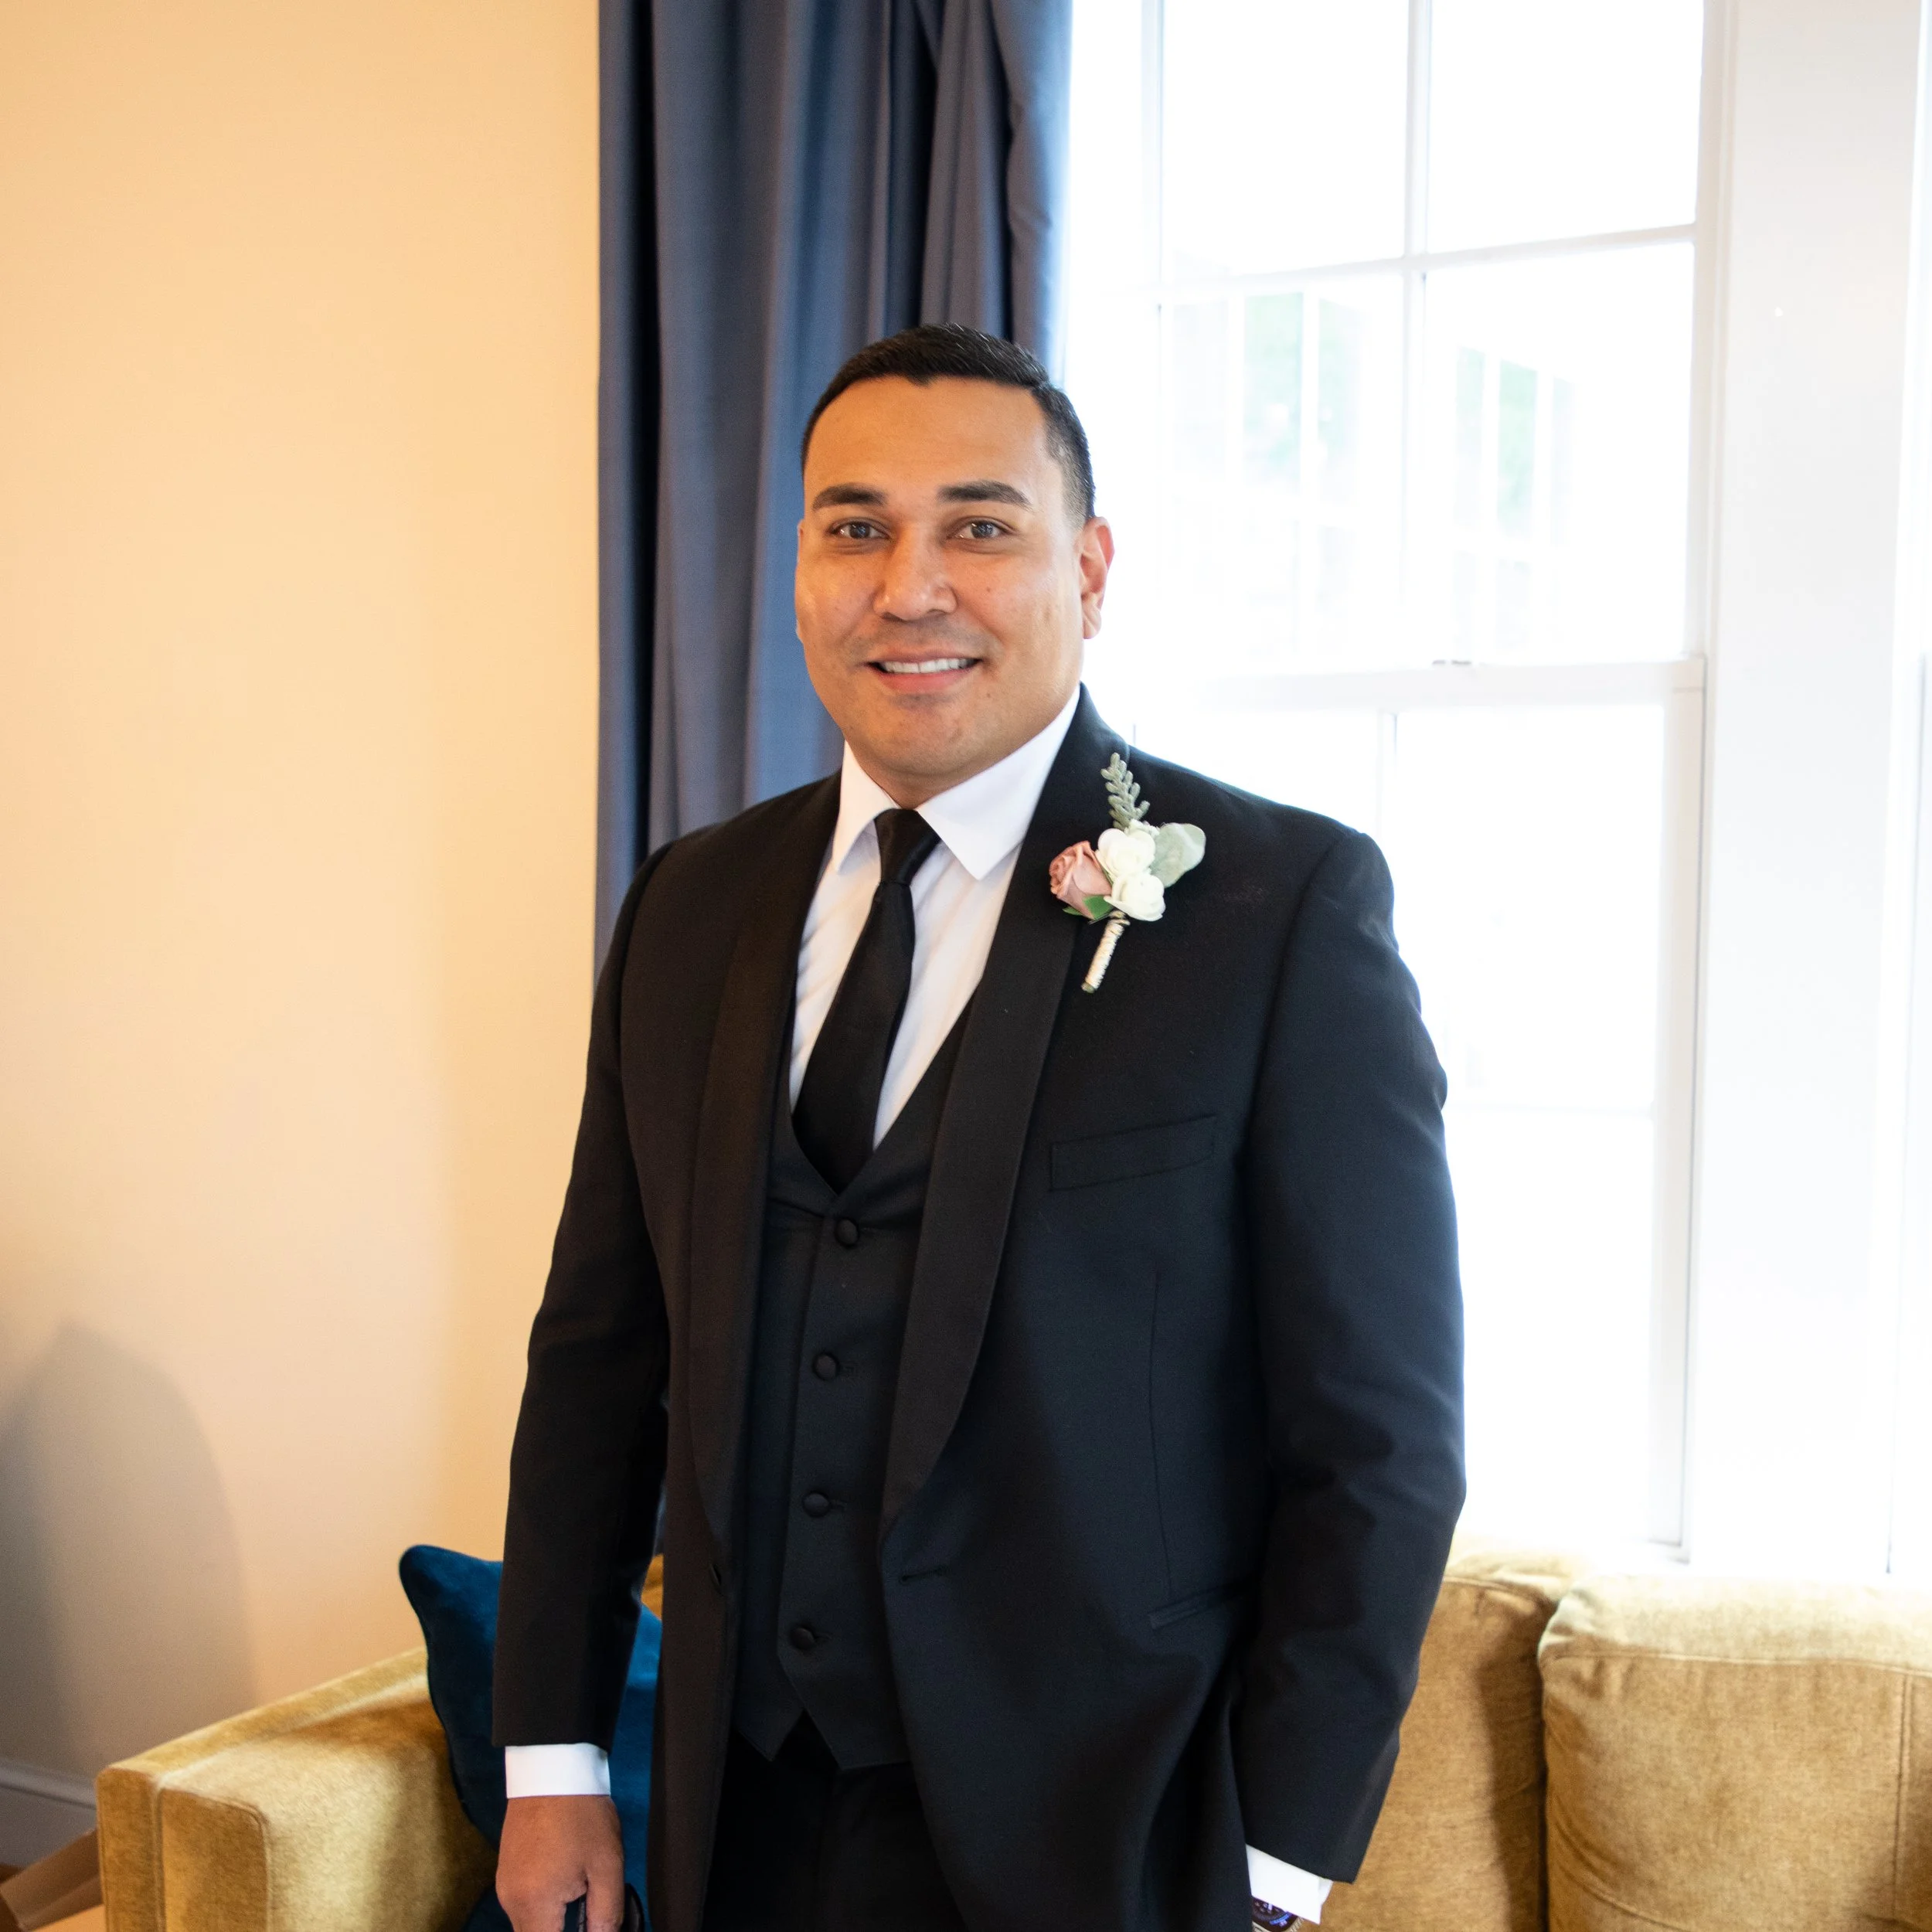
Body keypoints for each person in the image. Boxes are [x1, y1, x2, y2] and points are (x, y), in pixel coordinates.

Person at [489, 323, 1464, 1932]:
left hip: (1107, 1831)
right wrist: (552, 1758)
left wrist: (1274, 1863)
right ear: (800, 568)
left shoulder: (1281, 907)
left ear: (1088, 568)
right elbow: (597, 1356)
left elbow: (1377, 1438)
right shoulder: (686, 905)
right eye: (854, 527)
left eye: (980, 526)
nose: (910, 586)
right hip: (739, 1813)